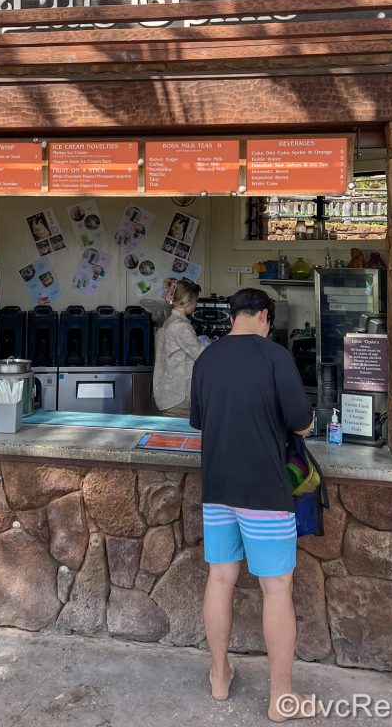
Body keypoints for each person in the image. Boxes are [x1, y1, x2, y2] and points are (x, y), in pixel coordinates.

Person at [190, 288, 314, 723]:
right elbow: (302, 421)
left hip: (217, 486)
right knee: (276, 587)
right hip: (264, 489)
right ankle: (282, 698)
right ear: (264, 315)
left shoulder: (206, 359)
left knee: (220, 578)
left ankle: (219, 675)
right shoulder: (275, 356)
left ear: (232, 316)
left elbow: (200, 419)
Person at [152, 278, 203, 417]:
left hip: (168, 394)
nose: (196, 304)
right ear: (188, 301)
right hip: (179, 397)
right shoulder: (181, 327)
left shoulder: (168, 322)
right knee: (184, 437)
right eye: (195, 300)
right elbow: (202, 356)